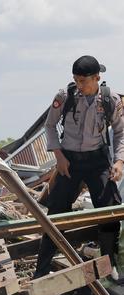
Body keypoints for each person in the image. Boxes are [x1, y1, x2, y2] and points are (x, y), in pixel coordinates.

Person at [35, 55, 124, 279]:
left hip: (97, 161)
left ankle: (109, 263)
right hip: (69, 161)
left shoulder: (110, 99)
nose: (79, 85)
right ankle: (42, 270)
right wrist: (58, 155)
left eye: (83, 81)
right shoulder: (64, 97)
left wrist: (119, 160)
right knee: (55, 213)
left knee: (110, 209)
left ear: (97, 78)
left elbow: (121, 132)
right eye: (76, 80)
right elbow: (50, 125)